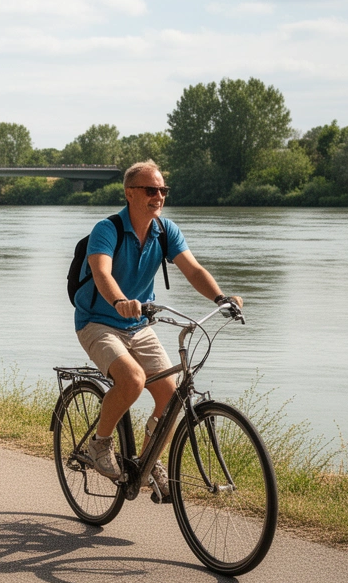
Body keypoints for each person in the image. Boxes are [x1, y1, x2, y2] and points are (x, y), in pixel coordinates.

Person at [72, 159, 242, 492]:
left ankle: (149, 461)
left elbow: (193, 270)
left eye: (162, 190)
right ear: (129, 193)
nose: (158, 196)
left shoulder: (166, 231)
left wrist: (221, 299)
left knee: (170, 395)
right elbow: (101, 273)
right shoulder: (107, 230)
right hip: (97, 322)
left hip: (139, 326)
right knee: (133, 380)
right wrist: (121, 300)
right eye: (151, 190)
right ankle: (101, 442)